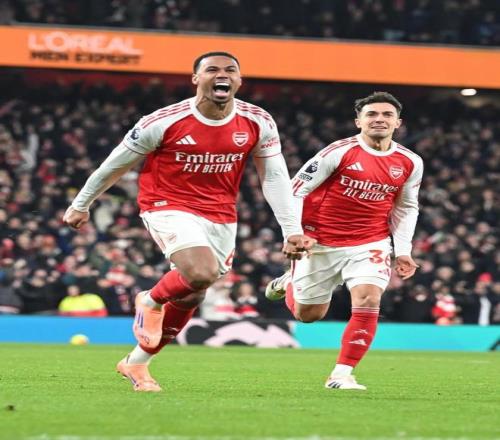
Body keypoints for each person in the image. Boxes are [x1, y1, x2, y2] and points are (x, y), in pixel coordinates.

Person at [63, 51, 315, 392]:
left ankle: (137, 362)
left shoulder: (258, 121)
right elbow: (115, 164)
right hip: (166, 204)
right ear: (196, 79)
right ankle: (150, 300)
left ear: (239, 80)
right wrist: (81, 204)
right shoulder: (162, 121)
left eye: (230, 70)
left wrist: (292, 230)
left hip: (221, 214)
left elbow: (274, 176)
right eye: (212, 70)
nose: (221, 75)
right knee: (200, 272)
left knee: (193, 296)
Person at [266, 91, 423, 390]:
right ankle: (289, 281)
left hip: (370, 241)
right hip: (320, 242)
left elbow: (406, 207)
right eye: (371, 114)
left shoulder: (410, 162)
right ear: (358, 121)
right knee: (308, 315)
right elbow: (295, 190)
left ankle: (341, 374)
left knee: (369, 298)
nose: (379, 119)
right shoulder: (337, 153)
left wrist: (403, 250)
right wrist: (293, 234)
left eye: (387, 115)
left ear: (398, 123)